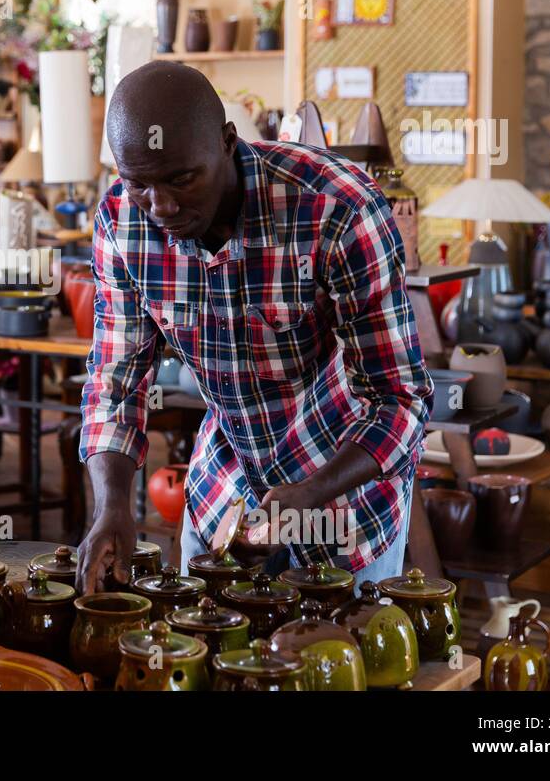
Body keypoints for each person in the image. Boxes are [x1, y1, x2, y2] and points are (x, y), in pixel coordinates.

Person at [76, 62, 432, 594]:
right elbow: (116, 383)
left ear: (226, 142)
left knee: (333, 669)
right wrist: (113, 507)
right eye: (139, 185)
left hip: (347, 500)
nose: (162, 207)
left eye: (181, 179)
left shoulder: (337, 209)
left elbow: (400, 399)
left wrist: (310, 493)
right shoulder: (122, 223)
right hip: (225, 492)